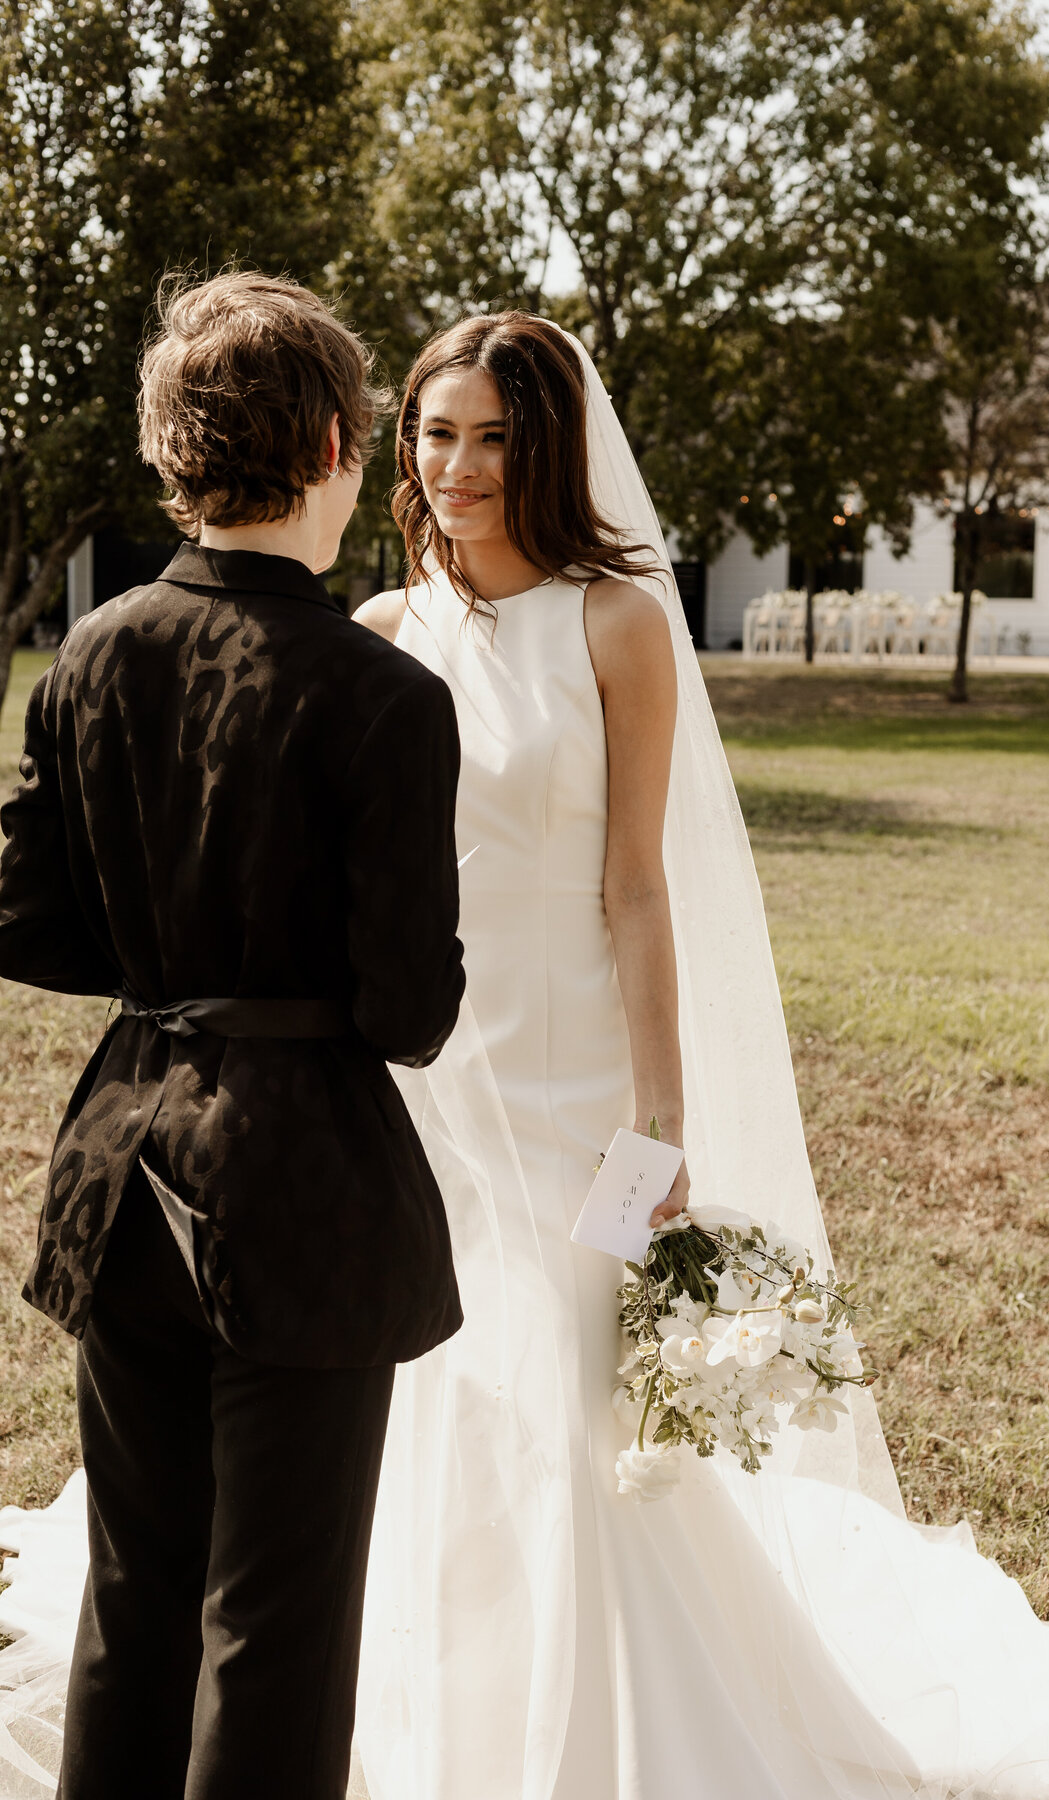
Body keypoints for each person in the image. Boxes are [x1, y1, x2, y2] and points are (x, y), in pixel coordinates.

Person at [348, 312, 1049, 1800]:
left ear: (551, 453)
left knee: (587, 1415)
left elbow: (638, 887)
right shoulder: (387, 636)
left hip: (574, 1080)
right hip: (429, 1088)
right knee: (444, 1392)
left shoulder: (616, 624)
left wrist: (660, 1116)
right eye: (434, 432)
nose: (455, 465)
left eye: (493, 437)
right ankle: (435, 1709)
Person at [0, 271, 465, 1800]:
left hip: (121, 1159)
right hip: (304, 1190)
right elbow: (410, 1016)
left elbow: (27, 921)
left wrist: (165, 955)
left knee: (135, 1594)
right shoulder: (384, 694)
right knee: (276, 1621)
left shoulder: (90, 657)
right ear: (337, 442)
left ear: (170, 454)